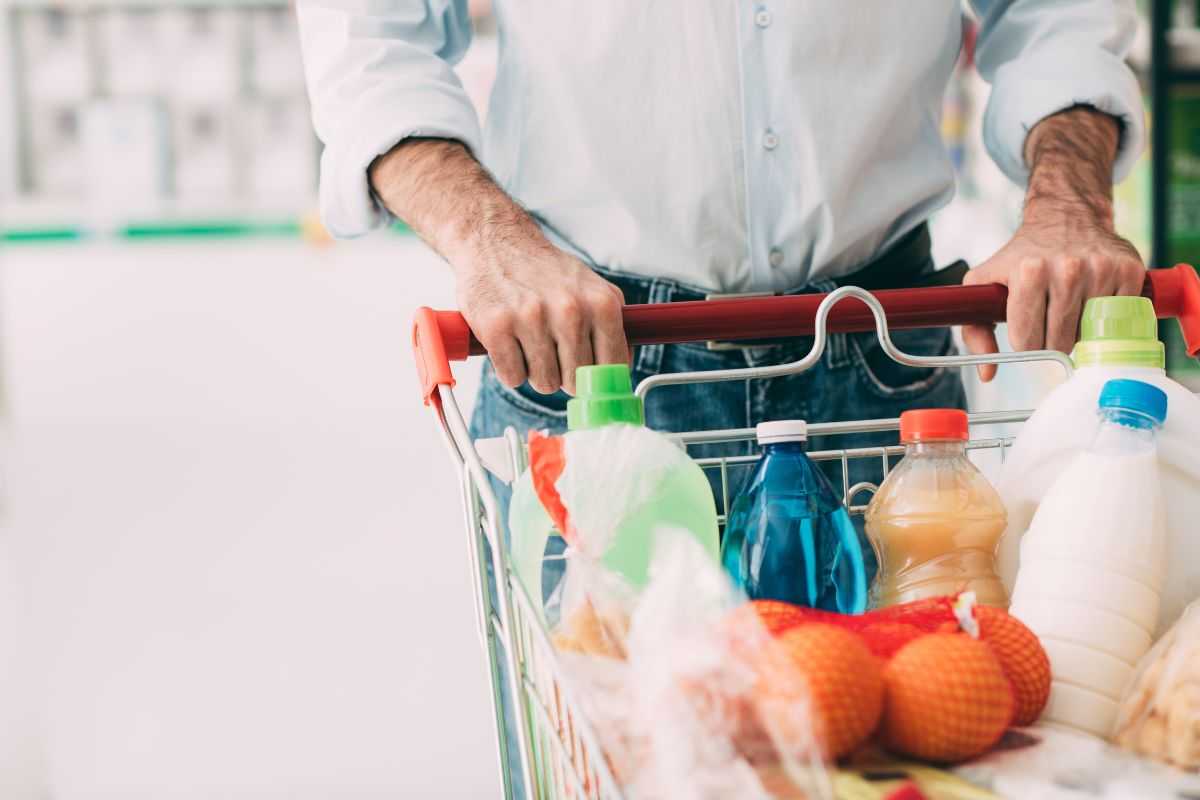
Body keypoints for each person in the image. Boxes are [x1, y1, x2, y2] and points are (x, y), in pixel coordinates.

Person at [297, 1, 1145, 793]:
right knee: (613, 764)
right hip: (591, 371)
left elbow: (1056, 13)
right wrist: (486, 236)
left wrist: (1070, 200)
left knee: (928, 757)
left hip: (885, 363)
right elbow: (368, 30)